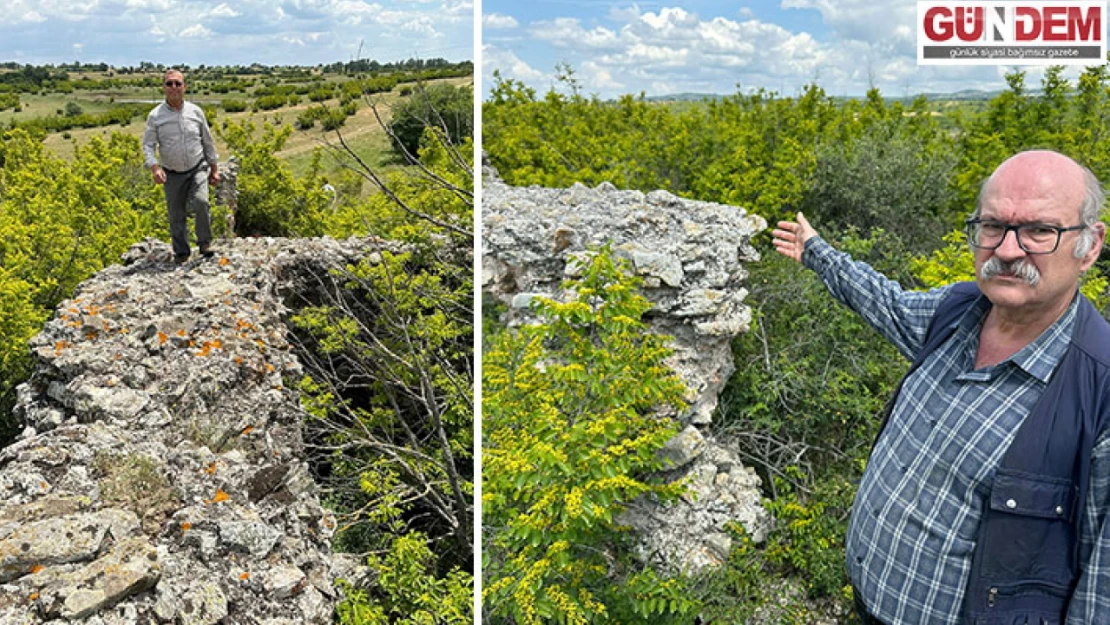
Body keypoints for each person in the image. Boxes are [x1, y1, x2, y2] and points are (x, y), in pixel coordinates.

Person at [771, 150, 1110, 625]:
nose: (1008, 251)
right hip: (866, 605)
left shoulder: (1099, 393)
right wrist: (815, 251)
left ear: (1090, 246)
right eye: (993, 226)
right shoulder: (955, 313)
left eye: (1039, 230)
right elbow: (883, 302)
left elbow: (1101, 596)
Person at [142, 69, 220, 264]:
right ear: (164, 88)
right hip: (172, 172)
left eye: (178, 83)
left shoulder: (196, 112)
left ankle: (205, 244)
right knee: (176, 214)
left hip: (197, 167)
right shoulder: (155, 116)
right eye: (169, 84)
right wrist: (154, 167)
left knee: (202, 202)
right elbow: (148, 145)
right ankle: (182, 253)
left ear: (184, 87)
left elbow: (207, 141)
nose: (174, 87)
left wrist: (214, 169)